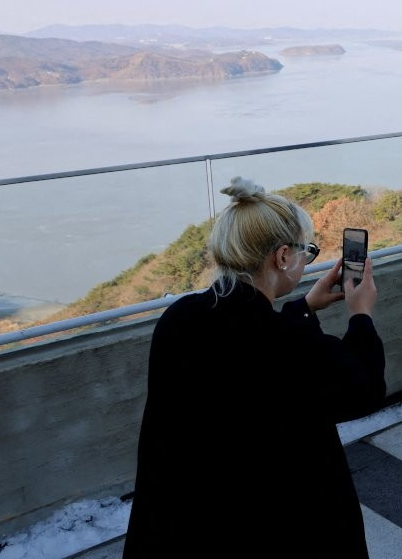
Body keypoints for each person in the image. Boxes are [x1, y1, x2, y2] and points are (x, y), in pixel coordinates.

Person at [124, 177, 387, 558]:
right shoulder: (286, 345)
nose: (305, 261)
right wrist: (360, 315)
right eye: (305, 252)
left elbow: (255, 347)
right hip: (270, 528)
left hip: (181, 525)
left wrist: (304, 308)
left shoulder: (181, 318)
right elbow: (363, 390)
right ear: (282, 256)